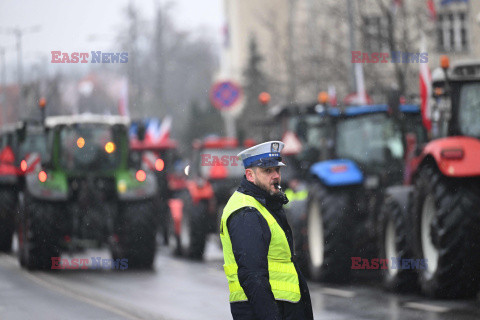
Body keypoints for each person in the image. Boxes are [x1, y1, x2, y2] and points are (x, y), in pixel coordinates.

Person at [219, 141, 314, 320]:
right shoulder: (246, 212)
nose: (276, 176)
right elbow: (253, 276)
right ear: (250, 175)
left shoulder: (265, 204)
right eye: (267, 171)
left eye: (277, 170)